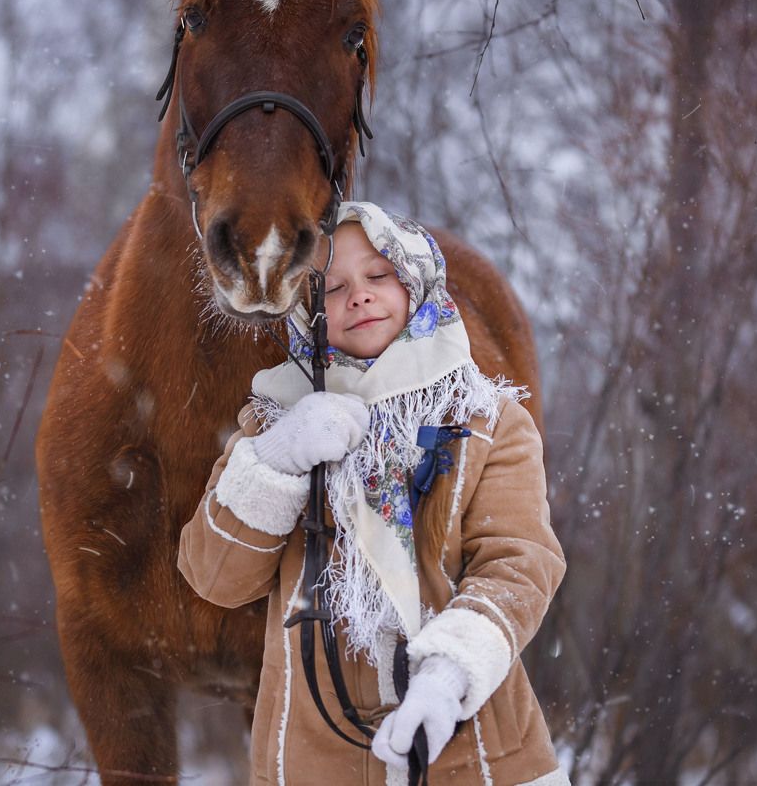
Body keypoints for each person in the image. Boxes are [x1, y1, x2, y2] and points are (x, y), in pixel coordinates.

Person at [178, 202, 568, 786]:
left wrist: (449, 674)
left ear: (418, 286)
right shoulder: (272, 426)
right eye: (332, 287)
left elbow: (519, 564)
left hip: (471, 755)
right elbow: (214, 576)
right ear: (308, 312)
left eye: (380, 276)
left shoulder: (489, 420)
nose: (358, 296)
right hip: (310, 763)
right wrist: (280, 459)